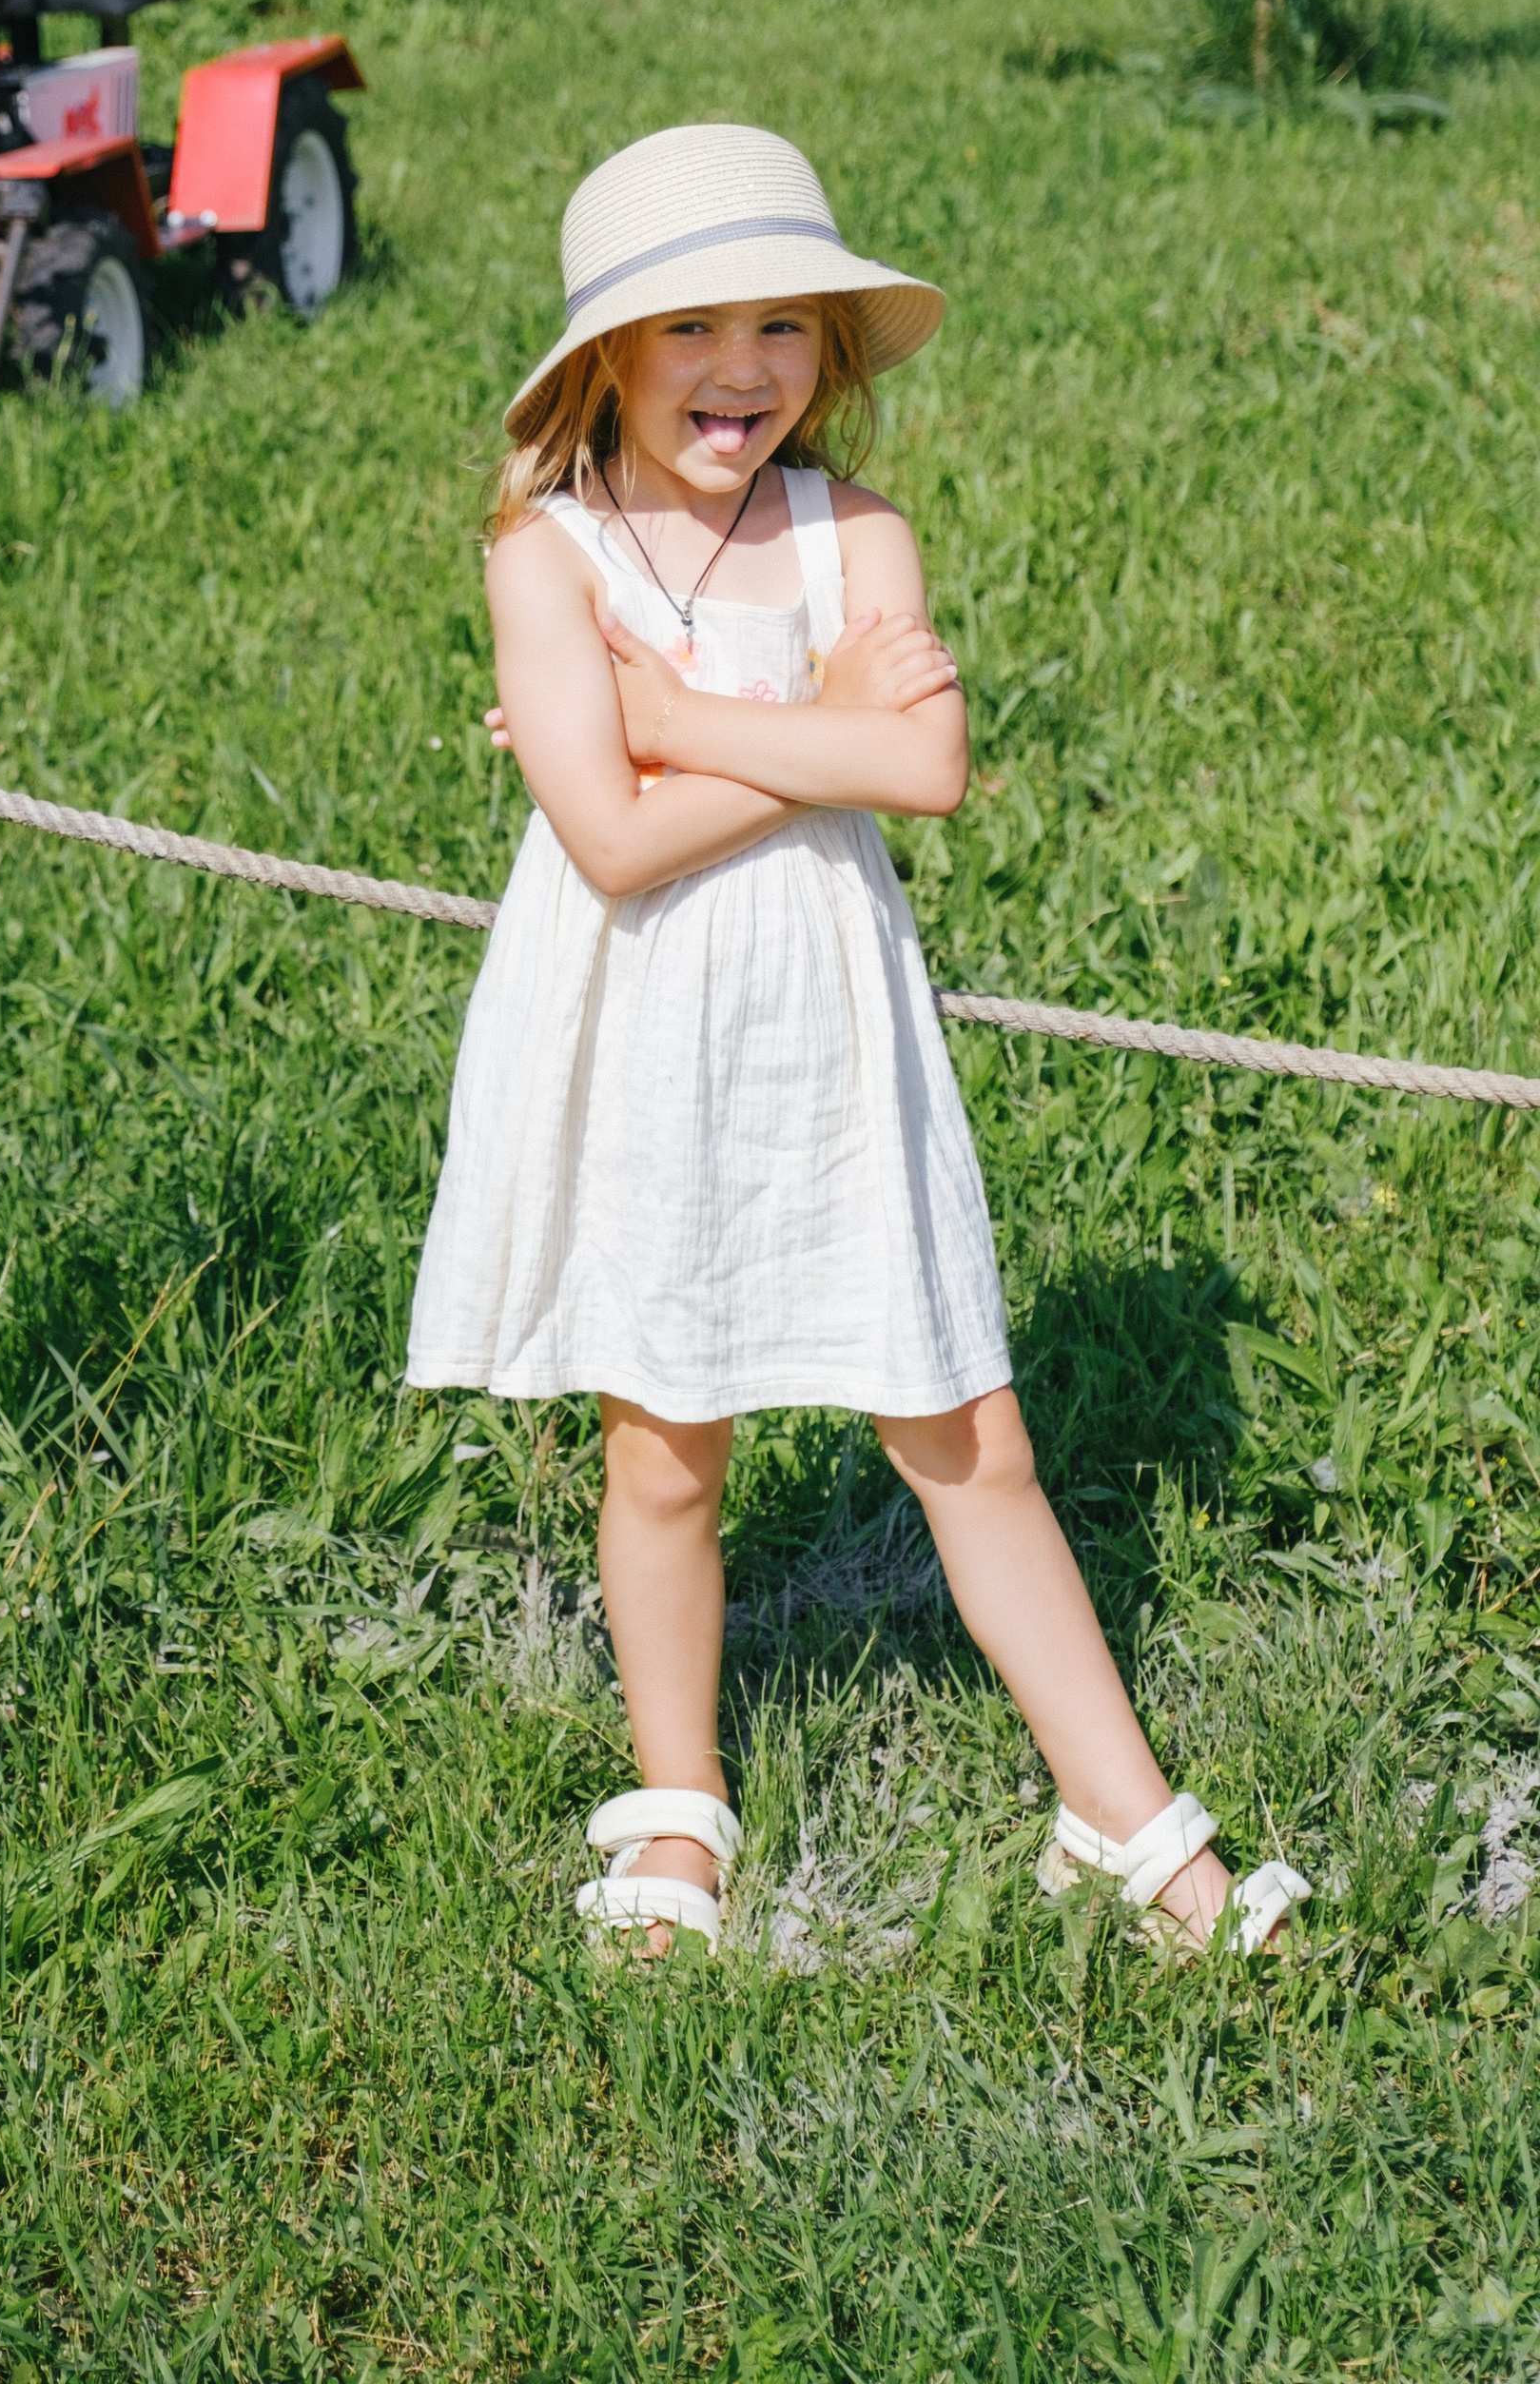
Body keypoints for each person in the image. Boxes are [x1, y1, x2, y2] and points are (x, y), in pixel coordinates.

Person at [406, 124, 1309, 1964]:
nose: (744, 371)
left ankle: (1116, 1810)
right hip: (642, 1019)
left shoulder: (855, 532)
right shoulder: (544, 552)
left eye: (786, 330)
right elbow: (611, 838)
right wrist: (803, 724)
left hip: (830, 1020)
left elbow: (929, 769)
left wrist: (681, 717)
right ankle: (679, 1807)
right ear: (605, 357)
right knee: (664, 1438)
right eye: (693, 332)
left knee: (968, 1427)